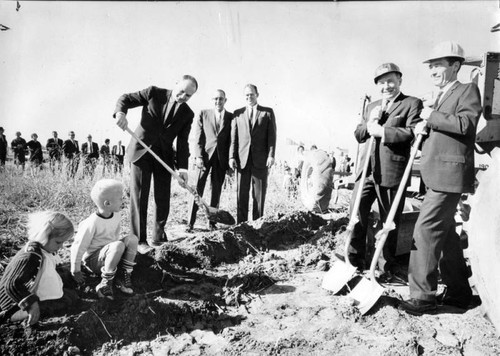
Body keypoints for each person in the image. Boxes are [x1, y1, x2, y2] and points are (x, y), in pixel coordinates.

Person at [400, 41, 482, 314]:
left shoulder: (467, 90)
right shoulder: (440, 96)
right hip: (437, 174)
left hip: (450, 174)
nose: (433, 70)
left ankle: (422, 296)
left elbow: (465, 124)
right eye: (431, 65)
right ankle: (460, 294)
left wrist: (431, 116)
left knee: (424, 231)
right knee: (445, 235)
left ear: (456, 66)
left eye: (439, 65)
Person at [349, 62, 422, 277]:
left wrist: (383, 131)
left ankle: (383, 266)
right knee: (356, 213)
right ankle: (354, 260)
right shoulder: (372, 107)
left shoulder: (411, 103)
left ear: (400, 80)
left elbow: (411, 133)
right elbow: (359, 133)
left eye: (390, 81)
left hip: (392, 172)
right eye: (382, 82)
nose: (386, 86)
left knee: (388, 221)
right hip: (367, 171)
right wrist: (369, 124)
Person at [114, 75, 198, 254]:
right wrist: (121, 113)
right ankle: (139, 240)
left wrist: (183, 168)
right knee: (139, 197)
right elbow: (125, 99)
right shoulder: (153, 93)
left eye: (188, 95)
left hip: (165, 157)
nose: (183, 96)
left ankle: (158, 236)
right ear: (176, 84)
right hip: (141, 152)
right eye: (181, 91)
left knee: (163, 198)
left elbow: (183, 142)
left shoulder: (188, 114)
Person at [0, 211, 77, 325]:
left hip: (25, 294)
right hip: (13, 306)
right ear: (44, 236)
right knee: (66, 302)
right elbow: (12, 285)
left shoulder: (42, 249)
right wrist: (32, 304)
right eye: (58, 242)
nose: (61, 246)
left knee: (69, 293)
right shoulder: (30, 257)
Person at [70, 179, 138, 300]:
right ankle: (105, 282)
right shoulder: (92, 223)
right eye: (120, 198)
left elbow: (115, 236)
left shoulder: (116, 214)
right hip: (94, 260)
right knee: (117, 245)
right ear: (107, 203)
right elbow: (78, 246)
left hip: (111, 253)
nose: (123, 200)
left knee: (132, 239)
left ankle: (123, 274)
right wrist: (75, 269)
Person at [229, 84, 277, 223]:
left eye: (252, 94)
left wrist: (271, 155)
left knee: (259, 195)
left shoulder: (267, 112)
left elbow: (272, 136)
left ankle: (257, 225)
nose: (249, 97)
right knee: (241, 195)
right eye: (247, 95)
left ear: (257, 95)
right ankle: (241, 225)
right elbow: (234, 138)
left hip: (260, 160)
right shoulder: (237, 114)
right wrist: (232, 156)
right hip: (242, 160)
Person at [187, 89, 233, 231]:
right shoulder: (204, 114)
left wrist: (230, 162)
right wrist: (199, 156)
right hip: (204, 159)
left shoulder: (231, 117)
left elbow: (232, 141)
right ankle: (190, 222)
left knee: (216, 191)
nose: (218, 101)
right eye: (215, 99)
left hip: (221, 160)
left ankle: (212, 223)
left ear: (225, 100)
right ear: (212, 100)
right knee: (197, 190)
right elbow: (198, 138)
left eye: (221, 99)